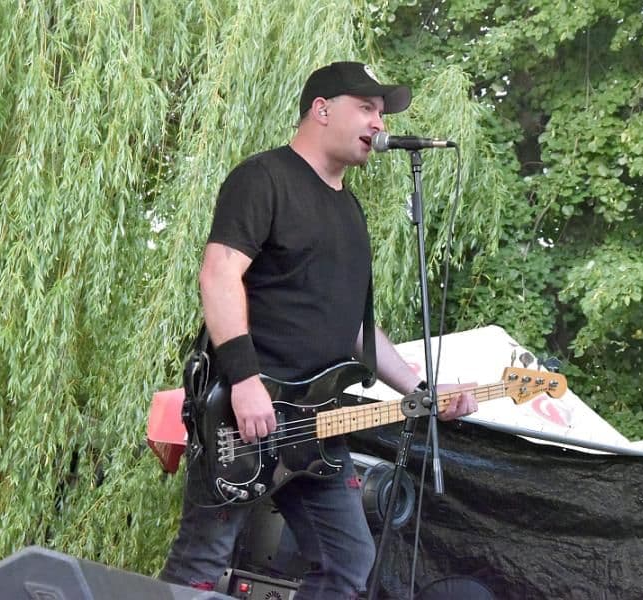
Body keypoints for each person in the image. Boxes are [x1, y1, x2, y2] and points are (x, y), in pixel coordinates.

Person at [160, 61, 478, 599]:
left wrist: (421, 390)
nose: (379, 124)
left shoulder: (350, 210)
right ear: (322, 109)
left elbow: (354, 328)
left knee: (348, 561)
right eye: (367, 108)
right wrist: (245, 381)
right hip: (244, 410)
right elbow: (218, 274)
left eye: (382, 113)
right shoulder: (263, 178)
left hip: (315, 423)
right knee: (203, 561)